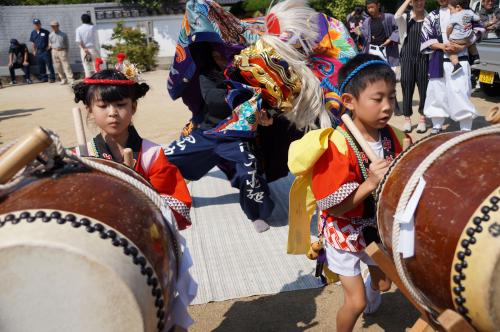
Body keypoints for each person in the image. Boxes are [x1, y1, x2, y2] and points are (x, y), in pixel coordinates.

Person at [288, 54, 410, 332]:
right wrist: (369, 184)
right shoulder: (337, 145)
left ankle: (371, 296)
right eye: (377, 99)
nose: (388, 107)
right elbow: (333, 208)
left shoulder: (392, 137)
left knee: (383, 283)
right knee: (354, 303)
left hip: (374, 227)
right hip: (343, 230)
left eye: (392, 97)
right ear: (349, 102)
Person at [165, 43, 275, 233]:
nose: (222, 60)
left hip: (238, 138)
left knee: (250, 173)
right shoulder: (207, 74)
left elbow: (269, 100)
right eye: (217, 56)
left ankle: (256, 213)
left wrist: (267, 115)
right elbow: (212, 99)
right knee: (164, 158)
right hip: (207, 133)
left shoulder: (252, 72)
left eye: (226, 56)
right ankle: (158, 192)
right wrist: (241, 96)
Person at [72, 68, 192, 230]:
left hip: (146, 232)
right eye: (103, 106)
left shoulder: (152, 154)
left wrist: (138, 201)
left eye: (121, 105)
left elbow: (176, 203)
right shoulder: (81, 156)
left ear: (133, 107)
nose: (113, 113)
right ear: (90, 110)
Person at [420, 0, 478, 133]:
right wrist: (442, 46)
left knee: (460, 91)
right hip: (438, 59)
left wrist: (464, 44)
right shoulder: (432, 16)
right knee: (437, 92)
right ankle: (437, 124)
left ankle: (465, 127)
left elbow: (479, 30)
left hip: (461, 57)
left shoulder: (465, 11)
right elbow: (424, 37)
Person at [395, 0, 428, 133]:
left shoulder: (429, 17)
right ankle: (407, 119)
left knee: (424, 87)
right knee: (406, 85)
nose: (419, 3)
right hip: (407, 56)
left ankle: (422, 119)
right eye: (416, 0)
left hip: (424, 57)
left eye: (421, 0)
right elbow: (396, 16)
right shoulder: (405, 17)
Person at [361, 0, 400, 69]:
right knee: (374, 73)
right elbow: (365, 37)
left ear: (378, 5)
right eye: (368, 8)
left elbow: (398, 29)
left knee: (389, 73)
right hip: (372, 50)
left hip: (387, 50)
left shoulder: (389, 17)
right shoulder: (367, 21)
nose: (370, 10)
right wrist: (359, 33)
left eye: (372, 7)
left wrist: (390, 39)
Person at [447, 0, 481, 75]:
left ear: (458, 7)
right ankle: (476, 56)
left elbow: (449, 27)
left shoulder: (455, 15)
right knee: (472, 44)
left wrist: (448, 35)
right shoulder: (469, 12)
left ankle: (456, 64)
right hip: (467, 37)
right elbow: (477, 18)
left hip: (456, 39)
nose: (450, 11)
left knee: (450, 49)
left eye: (451, 9)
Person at [30, 18, 55, 83]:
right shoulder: (33, 33)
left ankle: (52, 78)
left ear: (40, 24)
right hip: (38, 51)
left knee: (49, 65)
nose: (37, 25)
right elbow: (33, 43)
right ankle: (44, 78)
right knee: (41, 65)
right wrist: (34, 51)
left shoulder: (45, 32)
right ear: (33, 25)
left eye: (38, 24)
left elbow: (51, 40)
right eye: (35, 24)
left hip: (45, 51)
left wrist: (49, 46)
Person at [49, 20, 74, 85]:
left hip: (62, 51)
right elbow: (50, 43)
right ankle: (63, 79)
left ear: (58, 26)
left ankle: (70, 79)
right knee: (58, 66)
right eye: (52, 26)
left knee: (66, 66)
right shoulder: (50, 35)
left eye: (54, 26)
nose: (53, 27)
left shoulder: (63, 34)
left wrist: (66, 51)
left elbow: (67, 44)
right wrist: (51, 47)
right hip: (54, 51)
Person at [76, 14, 100, 78]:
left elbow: (79, 41)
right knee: (96, 65)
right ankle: (98, 78)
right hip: (92, 48)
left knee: (86, 66)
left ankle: (89, 80)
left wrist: (84, 48)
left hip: (84, 50)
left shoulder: (79, 29)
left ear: (82, 20)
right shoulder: (93, 27)